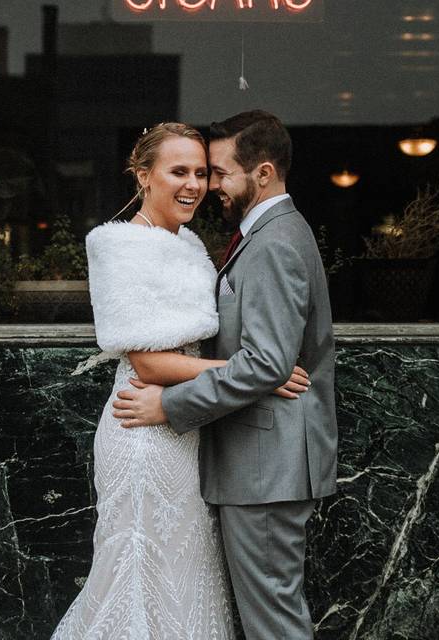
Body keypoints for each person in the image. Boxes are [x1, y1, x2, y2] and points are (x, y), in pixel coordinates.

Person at [51, 122, 311, 640]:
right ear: (143, 176)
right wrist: (260, 373)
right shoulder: (118, 245)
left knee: (183, 573)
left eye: (201, 172)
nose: (194, 184)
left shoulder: (190, 244)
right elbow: (149, 363)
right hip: (144, 421)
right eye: (179, 172)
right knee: (141, 570)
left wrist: (249, 372)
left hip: (187, 425)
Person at [113, 110, 339, 639]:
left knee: (273, 623)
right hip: (261, 460)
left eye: (219, 172)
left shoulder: (276, 242)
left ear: (262, 173)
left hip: (266, 466)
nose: (209, 185)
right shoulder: (269, 233)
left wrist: (168, 405)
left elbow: (265, 364)